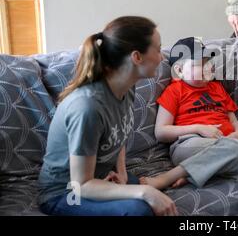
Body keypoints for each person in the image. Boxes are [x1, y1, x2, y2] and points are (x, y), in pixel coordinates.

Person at [38, 16, 179, 216]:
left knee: (150, 196)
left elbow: (118, 134)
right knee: (140, 209)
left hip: (101, 176)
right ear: (137, 57)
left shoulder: (126, 88)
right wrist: (142, 191)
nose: (162, 57)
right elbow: (82, 184)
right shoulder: (87, 107)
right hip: (66, 192)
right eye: (158, 49)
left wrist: (121, 173)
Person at [139, 37, 238, 189]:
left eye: (208, 62)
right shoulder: (174, 91)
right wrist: (198, 128)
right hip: (190, 144)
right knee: (233, 150)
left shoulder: (217, 88)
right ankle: (167, 177)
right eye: (199, 64)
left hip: (227, 145)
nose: (207, 68)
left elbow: (233, 121)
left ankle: (195, 174)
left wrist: (237, 135)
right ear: (179, 71)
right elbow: (161, 132)